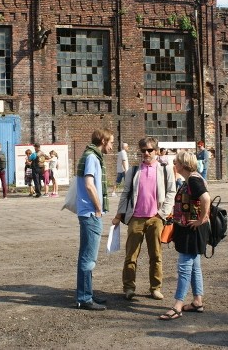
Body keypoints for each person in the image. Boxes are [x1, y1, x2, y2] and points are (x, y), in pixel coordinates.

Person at [113, 137, 177, 301]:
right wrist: (119, 214)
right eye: (143, 150)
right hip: (136, 218)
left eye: (149, 150)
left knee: (156, 255)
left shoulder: (165, 170)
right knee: (131, 256)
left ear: (156, 151)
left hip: (156, 218)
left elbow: (171, 192)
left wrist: (162, 213)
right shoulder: (133, 171)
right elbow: (126, 194)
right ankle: (128, 287)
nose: (146, 153)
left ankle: (155, 288)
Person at [159, 151, 210, 321]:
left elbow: (206, 198)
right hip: (190, 229)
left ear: (183, 164)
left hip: (191, 230)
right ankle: (197, 301)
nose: (174, 164)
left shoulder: (194, 180)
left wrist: (201, 219)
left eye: (176, 162)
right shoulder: (191, 179)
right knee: (194, 266)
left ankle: (177, 306)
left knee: (184, 267)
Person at [75, 129, 114, 311]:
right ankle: (84, 298)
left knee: (88, 256)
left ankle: (87, 292)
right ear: (103, 141)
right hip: (91, 213)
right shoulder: (92, 157)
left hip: (89, 212)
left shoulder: (91, 155)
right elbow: (89, 185)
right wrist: (98, 208)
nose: (112, 145)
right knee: (88, 258)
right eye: (111, 141)